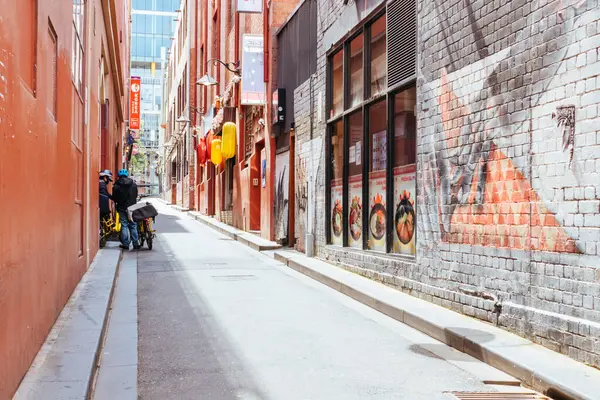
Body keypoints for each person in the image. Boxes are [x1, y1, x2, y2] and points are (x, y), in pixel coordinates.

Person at [112, 169, 140, 250]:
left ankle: (125, 244)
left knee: (124, 225)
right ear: (127, 175)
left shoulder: (116, 185)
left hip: (122, 207)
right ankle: (135, 243)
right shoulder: (133, 184)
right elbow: (135, 195)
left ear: (118, 176)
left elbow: (115, 198)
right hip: (132, 207)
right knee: (133, 225)